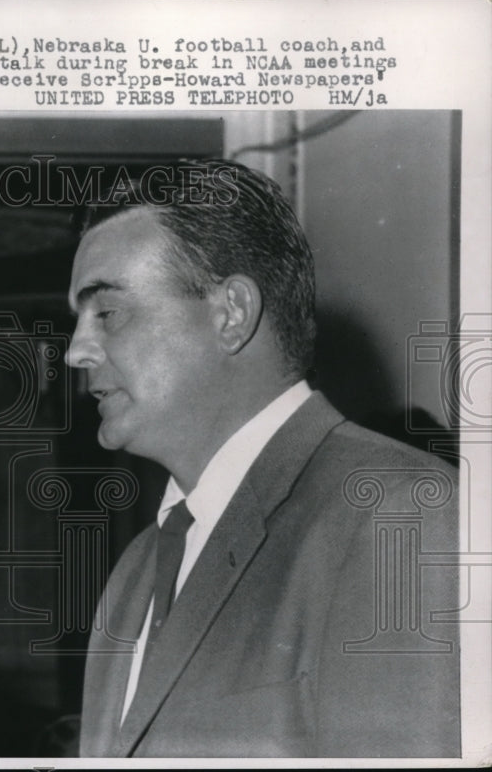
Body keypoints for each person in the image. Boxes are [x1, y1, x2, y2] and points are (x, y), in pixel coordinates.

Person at [66, 160, 460, 757]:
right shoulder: (135, 572)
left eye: (108, 312)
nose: (75, 350)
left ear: (231, 314)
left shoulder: (399, 517)